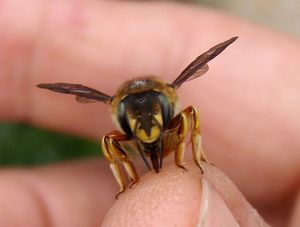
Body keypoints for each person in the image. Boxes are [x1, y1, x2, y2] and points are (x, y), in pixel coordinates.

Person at [0, 0, 299, 226]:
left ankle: (195, 160)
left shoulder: (176, 115)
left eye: (152, 113)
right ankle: (126, 181)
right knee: (110, 141)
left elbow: (190, 116)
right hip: (137, 162)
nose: (146, 124)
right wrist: (126, 184)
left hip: (180, 150)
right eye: (136, 116)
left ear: (166, 101)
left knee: (191, 116)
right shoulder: (122, 131)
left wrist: (192, 160)